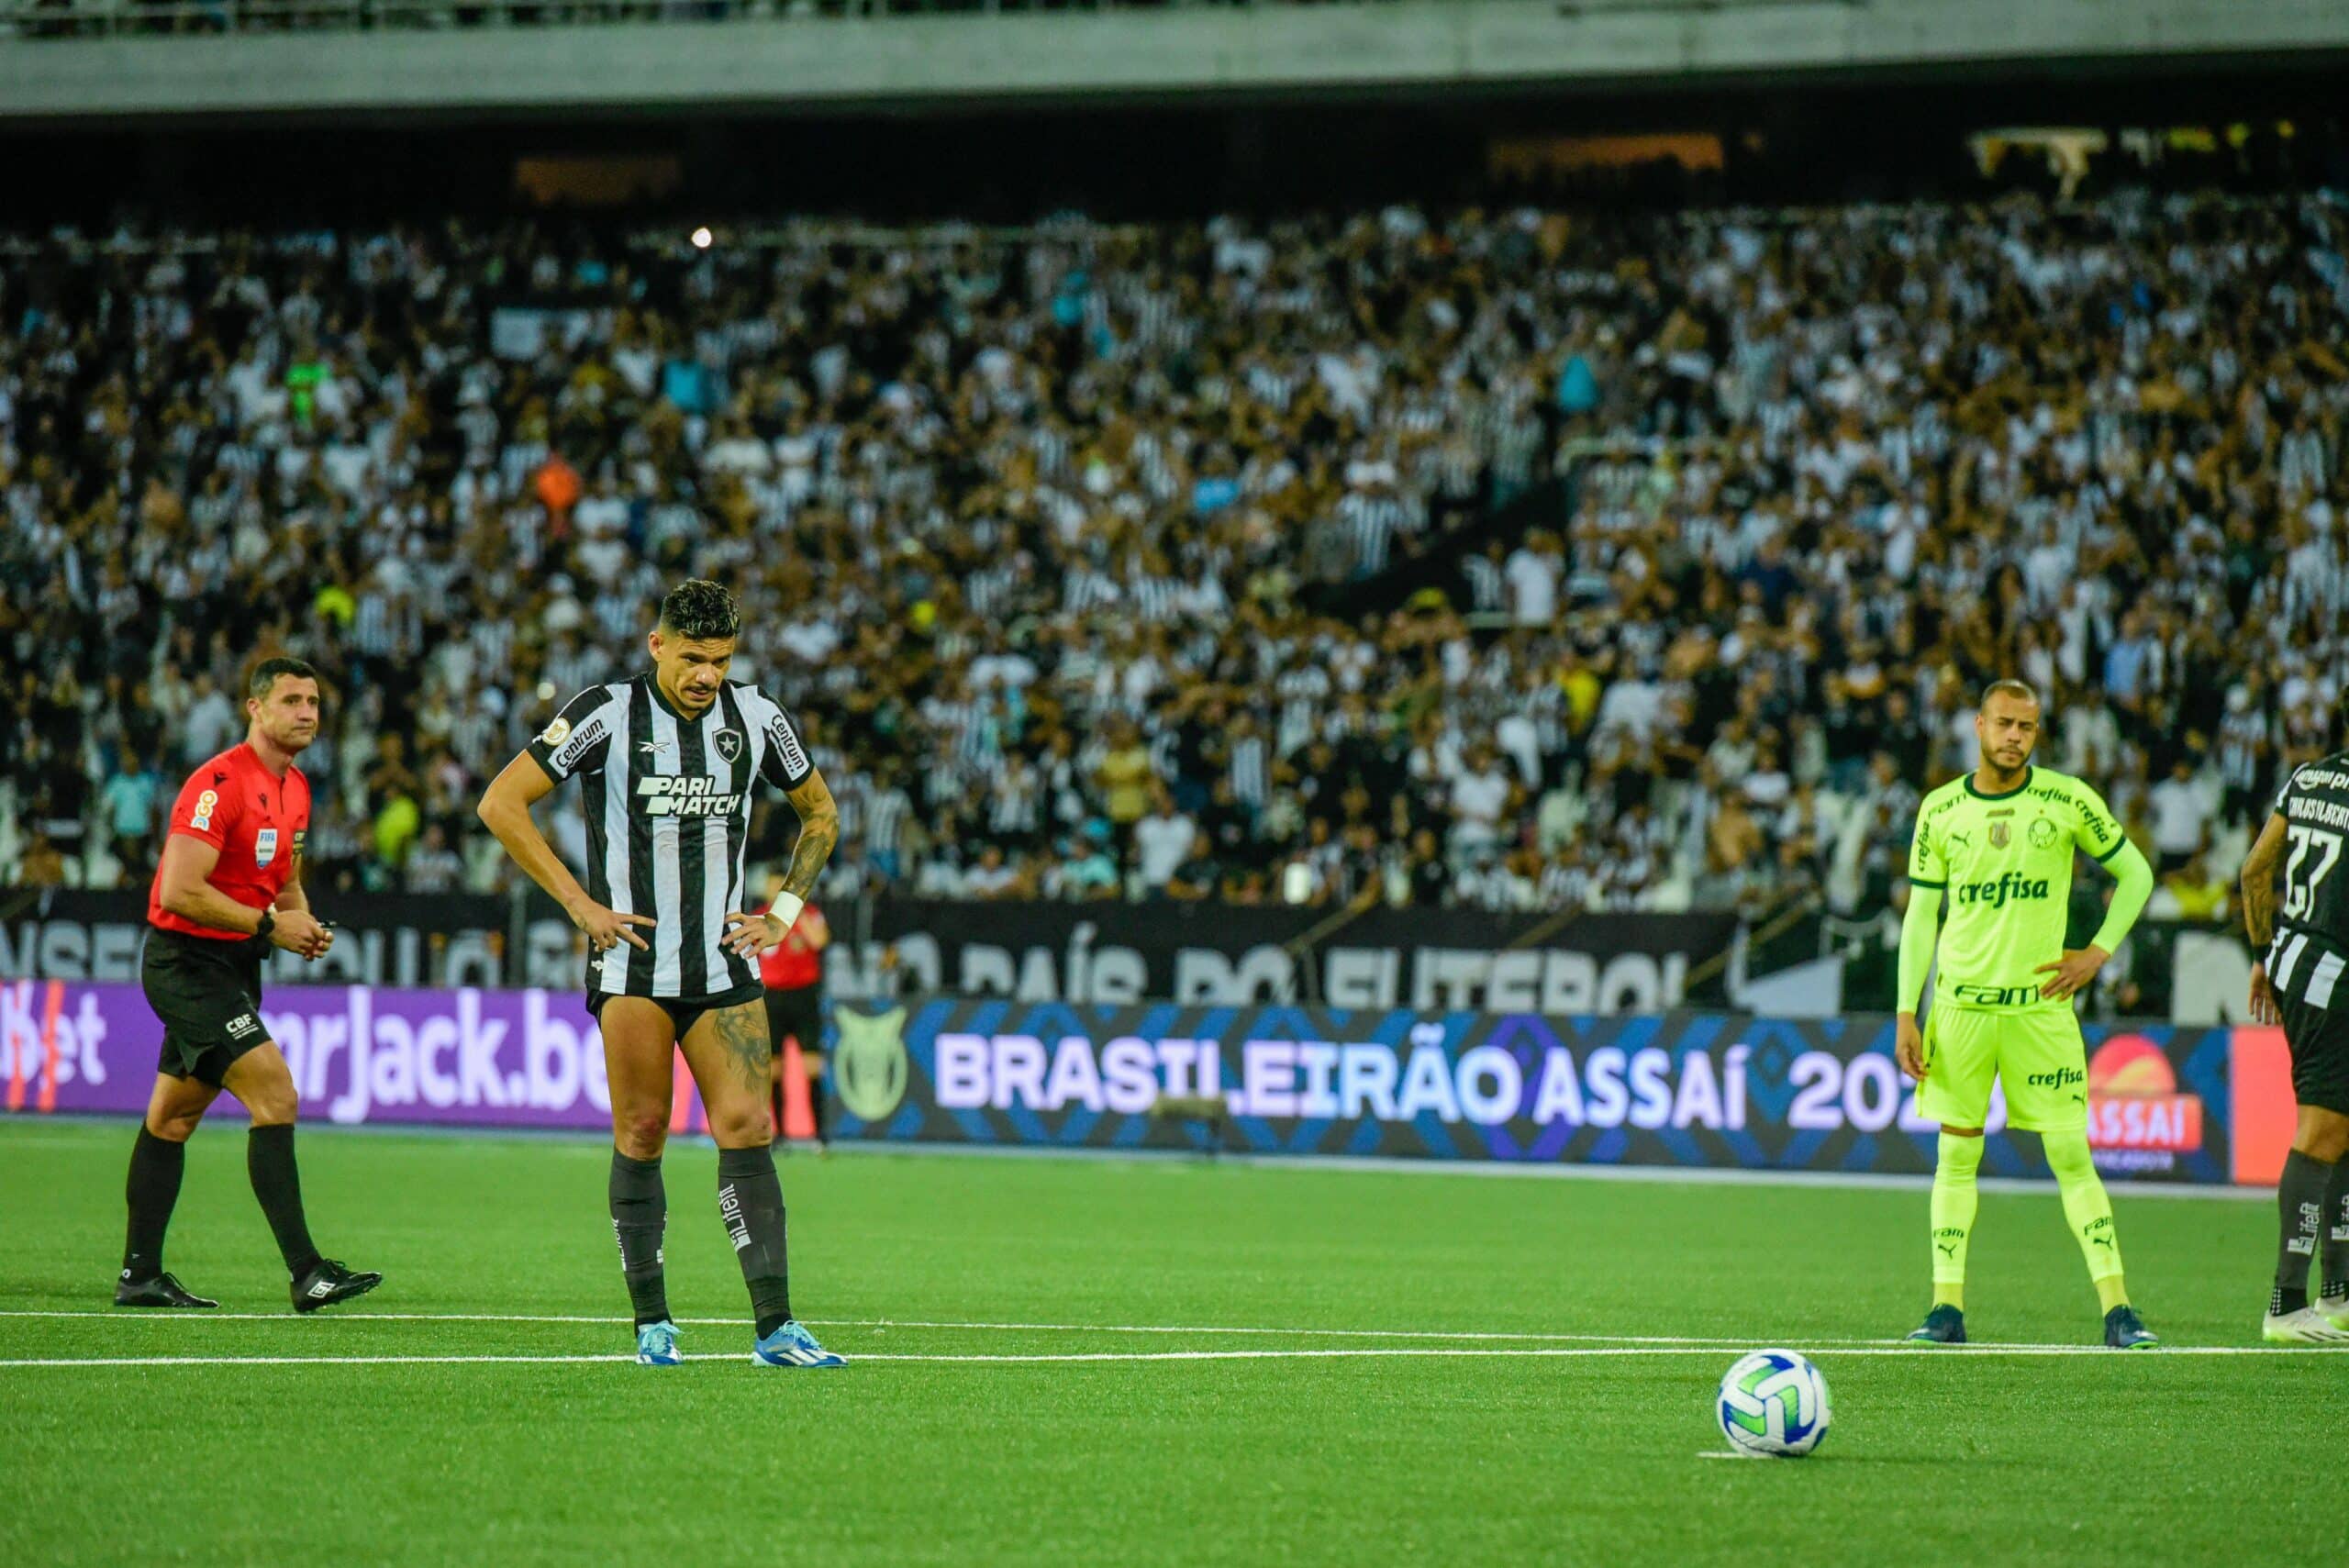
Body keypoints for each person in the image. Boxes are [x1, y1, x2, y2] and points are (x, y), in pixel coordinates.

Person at [476, 580, 846, 1370]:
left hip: (722, 966)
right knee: (642, 1130)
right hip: (635, 965)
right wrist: (579, 902)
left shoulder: (757, 717)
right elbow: (503, 802)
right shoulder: (606, 713)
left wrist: (780, 913)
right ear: (656, 645)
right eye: (691, 658)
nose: (706, 674)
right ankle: (652, 1322)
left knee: (750, 1126)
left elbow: (821, 811)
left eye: (720, 660)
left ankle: (775, 1325)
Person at [1893, 680, 2158, 1349]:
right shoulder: (1941, 809)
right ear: (1979, 724)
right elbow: (1922, 916)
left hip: (2039, 1011)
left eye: (2028, 727)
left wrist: (2096, 953)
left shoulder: (2067, 799)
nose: (2015, 736)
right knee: (1956, 1156)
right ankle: (1944, 1307)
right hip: (1961, 1011)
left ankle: (2119, 1308)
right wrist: (1906, 1010)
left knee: (2072, 1155)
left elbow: (2138, 875)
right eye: (2005, 724)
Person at [116, 656, 382, 1313]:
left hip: (233, 966)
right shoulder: (219, 784)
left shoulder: (296, 789)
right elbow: (178, 889)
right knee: (276, 1092)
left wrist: (302, 921)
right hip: (185, 964)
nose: (307, 712)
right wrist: (268, 925)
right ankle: (307, 1271)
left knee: (171, 1117)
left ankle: (140, 1275)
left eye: (314, 701)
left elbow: (285, 879)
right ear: (254, 708)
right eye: (291, 699)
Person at [2239, 692, 2349, 1344]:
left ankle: (2338, 1294)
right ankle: (2286, 1302)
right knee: (2322, 1130)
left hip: (2297, 963)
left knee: (2343, 1129)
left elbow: (2256, 868)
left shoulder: (2308, 777)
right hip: (2335, 978)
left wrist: (2262, 954)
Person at [757, 870, 832, 1151]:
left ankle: (820, 1135)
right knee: (774, 1070)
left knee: (812, 1068)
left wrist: (794, 913)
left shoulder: (810, 915)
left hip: (804, 998)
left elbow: (819, 941)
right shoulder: (761, 919)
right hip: (772, 998)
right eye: (772, 887)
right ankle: (781, 1135)